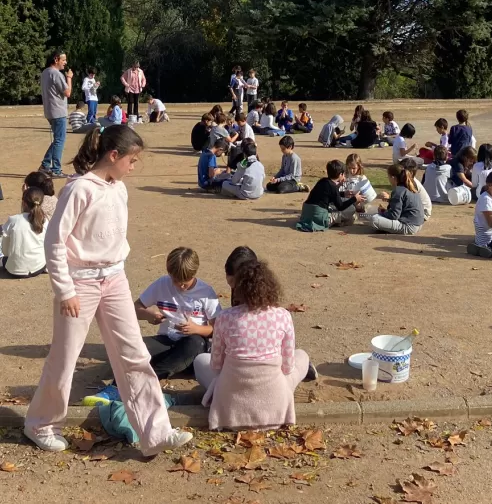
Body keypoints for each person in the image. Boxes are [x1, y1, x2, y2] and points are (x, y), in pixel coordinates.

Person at [24, 124, 193, 455]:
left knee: (135, 356)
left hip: (115, 280)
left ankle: (155, 431)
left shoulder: (120, 189)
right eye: (132, 160)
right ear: (113, 155)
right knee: (64, 356)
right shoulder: (79, 190)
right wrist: (65, 290)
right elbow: (55, 242)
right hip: (80, 284)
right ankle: (40, 424)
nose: (134, 167)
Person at [193, 259, 312, 430]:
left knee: (200, 360)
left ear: (239, 288)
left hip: (232, 400)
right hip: (274, 402)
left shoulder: (225, 317)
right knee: (302, 355)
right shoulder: (283, 316)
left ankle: (217, 392)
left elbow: (216, 365)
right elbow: (287, 367)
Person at [135, 247, 221, 380]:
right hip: (166, 340)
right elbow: (135, 308)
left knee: (194, 344)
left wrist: (196, 329)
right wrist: (148, 314)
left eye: (185, 282)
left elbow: (218, 329)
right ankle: (170, 366)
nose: (180, 286)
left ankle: (145, 376)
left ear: (194, 274)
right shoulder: (162, 284)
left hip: (194, 343)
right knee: (132, 347)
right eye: (175, 281)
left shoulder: (206, 292)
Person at [296, 160, 364, 231]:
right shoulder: (333, 187)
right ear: (340, 175)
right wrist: (355, 199)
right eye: (343, 174)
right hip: (319, 217)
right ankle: (332, 220)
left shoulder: (322, 181)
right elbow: (340, 206)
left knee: (332, 206)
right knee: (351, 209)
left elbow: (328, 194)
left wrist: (343, 193)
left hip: (306, 214)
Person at [39, 50, 73, 179]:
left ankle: (45, 165)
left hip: (49, 111)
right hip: (58, 111)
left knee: (57, 140)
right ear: (56, 59)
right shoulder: (56, 73)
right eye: (63, 60)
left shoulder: (45, 72)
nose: (65, 63)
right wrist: (69, 78)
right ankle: (56, 170)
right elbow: (67, 93)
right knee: (59, 140)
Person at [1, 187, 47, 278]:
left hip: (15, 270)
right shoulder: (45, 221)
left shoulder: (13, 220)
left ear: (23, 203)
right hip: (38, 267)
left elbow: (5, 251)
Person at [371, 164, 424, 235]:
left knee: (374, 219)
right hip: (417, 224)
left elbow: (394, 215)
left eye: (388, 176)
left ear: (393, 177)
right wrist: (390, 201)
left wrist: (383, 212)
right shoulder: (409, 186)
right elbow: (403, 205)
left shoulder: (398, 190)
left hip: (409, 226)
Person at [467, 171, 492, 257]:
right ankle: (487, 249)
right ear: (489, 185)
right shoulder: (486, 199)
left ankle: (481, 248)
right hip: (490, 236)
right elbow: (491, 223)